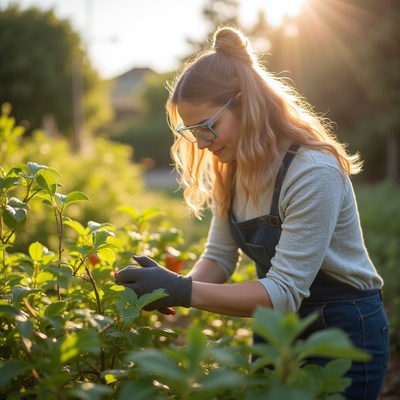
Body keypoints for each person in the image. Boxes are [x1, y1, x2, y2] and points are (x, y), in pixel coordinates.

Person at [115, 26, 389, 399]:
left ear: (245, 102)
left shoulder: (312, 171)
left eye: (207, 127)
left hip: (341, 328)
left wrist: (182, 290)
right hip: (274, 328)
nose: (201, 143)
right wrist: (169, 291)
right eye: (192, 131)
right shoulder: (231, 167)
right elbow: (219, 257)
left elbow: (283, 291)